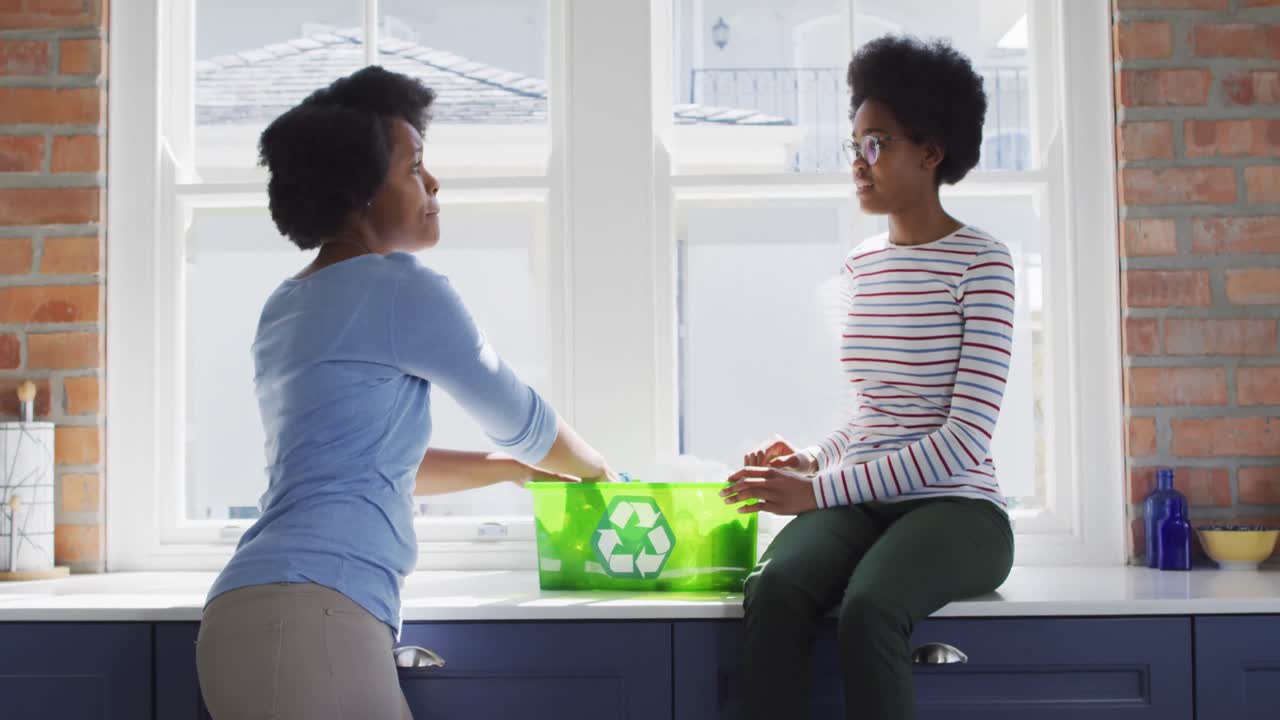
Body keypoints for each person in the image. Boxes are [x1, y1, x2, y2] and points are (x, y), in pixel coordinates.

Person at [195, 66, 616, 720]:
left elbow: (366, 465)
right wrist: (604, 475)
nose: (433, 183)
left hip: (246, 613)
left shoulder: (288, 303)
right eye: (414, 167)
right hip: (316, 616)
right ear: (358, 193)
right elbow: (521, 418)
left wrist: (508, 474)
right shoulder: (400, 287)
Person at [720, 35, 1016, 720]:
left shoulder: (984, 264)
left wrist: (818, 488)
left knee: (871, 608)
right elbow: (877, 410)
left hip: (959, 509)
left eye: (875, 143)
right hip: (864, 497)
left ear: (930, 152)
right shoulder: (862, 264)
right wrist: (814, 456)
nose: (858, 162)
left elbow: (962, 439)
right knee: (773, 586)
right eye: (853, 145)